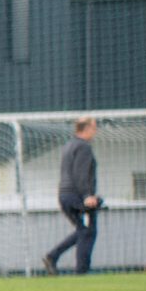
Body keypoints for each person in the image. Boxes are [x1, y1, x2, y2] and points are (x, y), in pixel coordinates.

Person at [43, 116, 100, 275]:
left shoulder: (69, 145)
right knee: (88, 231)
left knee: (83, 230)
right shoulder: (83, 147)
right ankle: (81, 271)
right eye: (94, 128)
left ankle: (53, 256)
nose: (96, 131)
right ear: (86, 128)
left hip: (65, 195)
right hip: (77, 196)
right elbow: (81, 173)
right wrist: (87, 195)